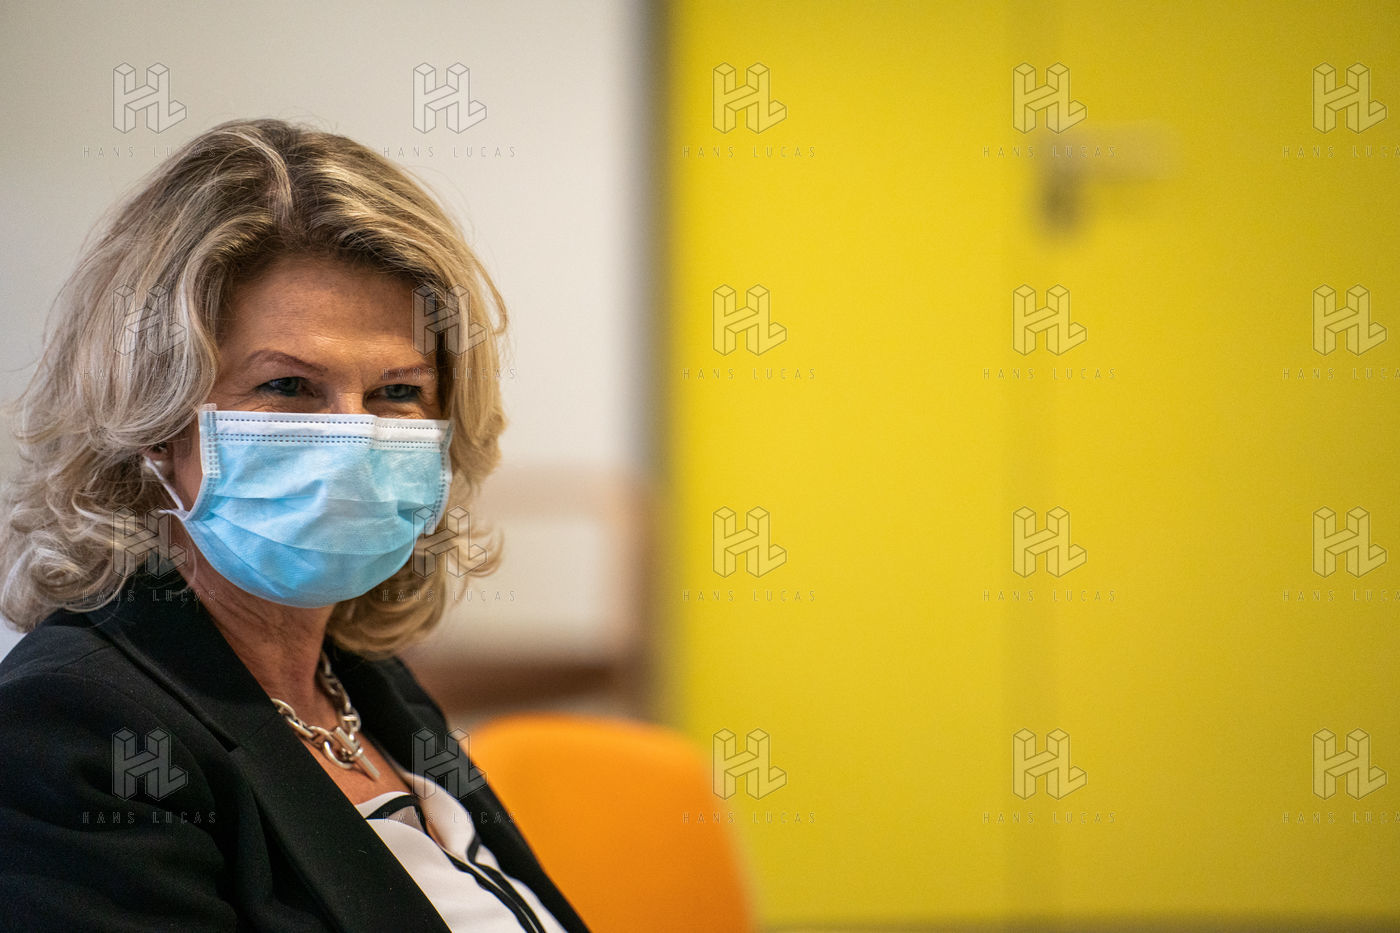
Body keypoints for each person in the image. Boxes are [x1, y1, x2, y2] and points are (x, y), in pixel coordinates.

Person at [0, 117, 590, 932]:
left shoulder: (361, 683)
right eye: (287, 386)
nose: (353, 438)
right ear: (152, 422)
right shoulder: (72, 730)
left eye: (396, 392)